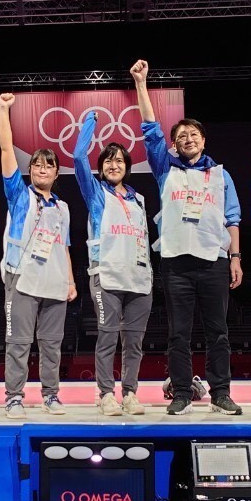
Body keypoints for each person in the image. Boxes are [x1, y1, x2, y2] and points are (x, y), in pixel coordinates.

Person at [131, 59, 245, 417]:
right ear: (175, 145)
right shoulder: (166, 170)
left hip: (214, 261)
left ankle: (221, 393)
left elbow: (232, 218)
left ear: (204, 140)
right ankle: (181, 392)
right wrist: (141, 82)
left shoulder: (220, 174)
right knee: (178, 333)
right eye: (180, 137)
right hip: (176, 262)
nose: (187, 139)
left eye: (193, 134)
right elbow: (151, 129)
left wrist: (237, 258)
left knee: (219, 332)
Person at [0, 93, 77, 419]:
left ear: (57, 172)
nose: (42, 168)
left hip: (55, 280)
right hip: (21, 277)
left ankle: (50, 395)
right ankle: (14, 397)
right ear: (29, 170)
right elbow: (5, 148)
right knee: (18, 343)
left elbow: (65, 246)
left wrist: (71, 281)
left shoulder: (64, 208)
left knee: (51, 344)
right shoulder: (18, 195)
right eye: (37, 164)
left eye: (49, 165)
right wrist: (4, 111)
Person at [72, 111, 153, 416]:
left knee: (134, 342)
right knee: (107, 337)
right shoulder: (96, 194)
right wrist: (89, 122)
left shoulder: (139, 199)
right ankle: (106, 393)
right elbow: (79, 157)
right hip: (106, 277)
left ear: (128, 167)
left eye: (119, 160)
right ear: (101, 168)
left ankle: (130, 392)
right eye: (108, 160)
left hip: (139, 280)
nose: (113, 164)